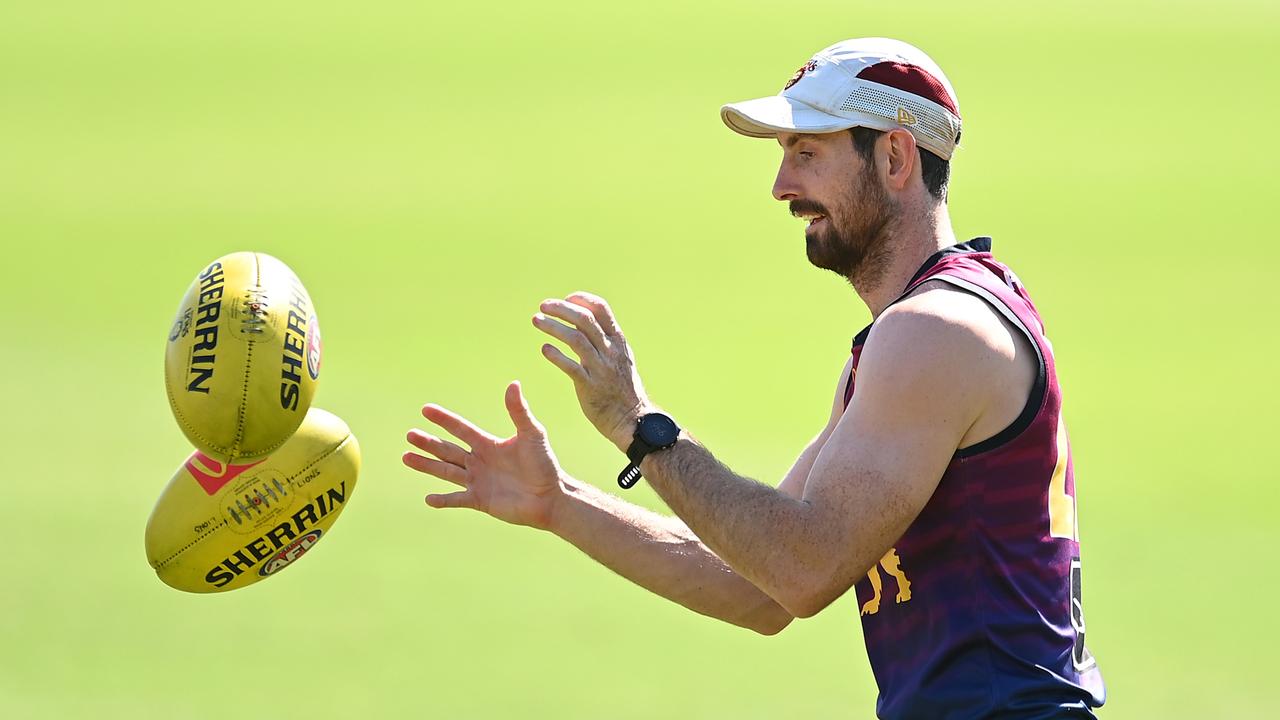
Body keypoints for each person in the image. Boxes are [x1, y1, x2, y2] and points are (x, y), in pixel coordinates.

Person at [402, 37, 1106, 719]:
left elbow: (804, 570)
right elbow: (760, 586)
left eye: (807, 152)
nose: (780, 186)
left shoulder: (937, 333)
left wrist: (638, 425)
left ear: (895, 156)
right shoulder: (914, 334)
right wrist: (561, 503)